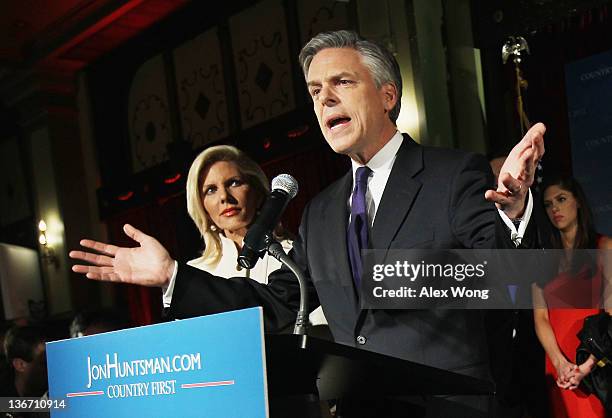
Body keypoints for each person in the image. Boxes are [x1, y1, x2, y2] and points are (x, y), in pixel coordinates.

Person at [70, 30, 545, 416]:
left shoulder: (451, 174)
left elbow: (514, 279)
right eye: (316, 91)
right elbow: (273, 304)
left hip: (452, 408)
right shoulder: (319, 213)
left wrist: (516, 209)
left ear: (387, 95)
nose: (324, 100)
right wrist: (172, 275)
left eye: (342, 83)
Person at [178, 144, 326, 327]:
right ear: (202, 208)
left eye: (234, 182)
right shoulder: (194, 274)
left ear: (257, 192)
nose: (224, 196)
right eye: (211, 190)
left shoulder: (296, 258)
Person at [532, 176, 612, 418]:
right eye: (548, 204)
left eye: (561, 199)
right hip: (559, 368)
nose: (554, 208)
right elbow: (540, 318)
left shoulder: (604, 247)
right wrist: (559, 363)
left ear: (577, 202)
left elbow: (611, 314)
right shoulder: (540, 260)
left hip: (594, 367)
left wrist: (586, 366)